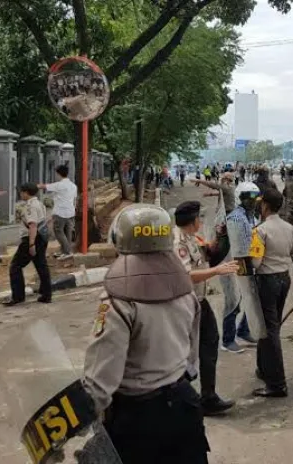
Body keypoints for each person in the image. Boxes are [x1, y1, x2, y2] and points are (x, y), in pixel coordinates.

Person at [83, 204, 212, 464]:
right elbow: (191, 356)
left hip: (136, 419)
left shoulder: (118, 301)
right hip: (184, 408)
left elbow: (100, 382)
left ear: (120, 241)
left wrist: (81, 422)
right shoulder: (186, 291)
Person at [173, 201, 239, 416]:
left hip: (199, 300)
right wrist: (217, 271)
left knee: (210, 341)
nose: (201, 221)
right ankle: (180, 399)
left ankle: (208, 397)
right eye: (199, 218)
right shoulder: (177, 242)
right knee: (182, 351)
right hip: (184, 302)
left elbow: (206, 253)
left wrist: (221, 238)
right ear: (192, 221)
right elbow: (186, 274)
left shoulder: (192, 238)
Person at [252, 189, 293, 397]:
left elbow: (256, 263)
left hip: (267, 281)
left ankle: (277, 383)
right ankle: (264, 368)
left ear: (265, 206)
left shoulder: (260, 231)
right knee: (268, 327)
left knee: (270, 330)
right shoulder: (289, 228)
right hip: (284, 279)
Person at [221, 182, 259, 352]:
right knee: (234, 301)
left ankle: (243, 331)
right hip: (237, 262)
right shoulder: (236, 218)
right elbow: (239, 246)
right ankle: (227, 340)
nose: (252, 201)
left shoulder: (251, 216)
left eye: (254, 198)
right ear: (239, 198)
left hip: (247, 262)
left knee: (249, 298)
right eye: (248, 198)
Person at [4, 183, 52, 306]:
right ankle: (46, 294)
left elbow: (32, 225)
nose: (20, 194)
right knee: (41, 265)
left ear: (26, 192)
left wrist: (31, 244)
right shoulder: (39, 203)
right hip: (41, 237)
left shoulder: (31, 206)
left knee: (15, 266)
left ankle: (18, 296)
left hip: (32, 239)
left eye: (21, 192)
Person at [38, 165, 77, 260]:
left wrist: (32, 186)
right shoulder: (73, 186)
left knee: (58, 232)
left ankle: (67, 252)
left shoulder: (59, 185)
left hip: (60, 212)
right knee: (67, 232)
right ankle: (65, 251)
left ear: (58, 174)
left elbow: (44, 186)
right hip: (70, 212)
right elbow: (74, 199)